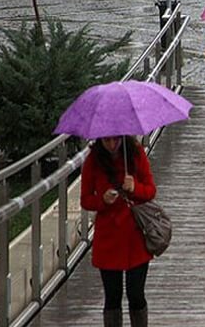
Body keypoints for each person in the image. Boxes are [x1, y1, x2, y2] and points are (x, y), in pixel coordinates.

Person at [81, 136, 156, 327]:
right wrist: (103, 201)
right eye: (107, 141)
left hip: (135, 236)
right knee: (112, 298)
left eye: (116, 140)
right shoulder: (93, 160)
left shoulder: (136, 153)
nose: (112, 145)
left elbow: (150, 191)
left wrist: (135, 188)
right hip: (109, 239)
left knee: (136, 294)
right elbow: (85, 199)